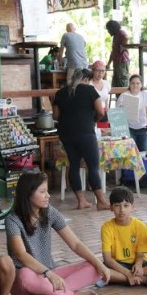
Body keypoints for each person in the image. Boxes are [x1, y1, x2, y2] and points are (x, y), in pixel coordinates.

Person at [6, 172, 109, 295]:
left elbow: (75, 244)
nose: (48, 195)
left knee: (94, 268)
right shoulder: (12, 219)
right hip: (25, 281)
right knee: (25, 275)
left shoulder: (49, 212)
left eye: (47, 191)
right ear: (28, 194)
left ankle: (48, 293)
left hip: (49, 275)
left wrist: (98, 263)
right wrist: (48, 274)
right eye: (43, 192)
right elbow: (21, 254)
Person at [53, 68, 108, 210]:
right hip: (85, 132)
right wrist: (94, 120)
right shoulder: (90, 90)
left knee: (74, 165)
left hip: (66, 134)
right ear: (86, 79)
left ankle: (81, 201)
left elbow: (56, 116)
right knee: (93, 166)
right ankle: (101, 201)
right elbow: (101, 112)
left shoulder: (60, 93)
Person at [100, 186, 147, 289]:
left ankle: (118, 278)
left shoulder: (140, 226)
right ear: (111, 207)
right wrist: (127, 273)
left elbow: (140, 253)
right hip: (117, 265)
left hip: (136, 264)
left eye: (126, 205)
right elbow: (108, 259)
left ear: (132, 207)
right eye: (117, 205)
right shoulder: (107, 227)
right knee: (97, 269)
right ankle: (146, 280)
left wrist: (139, 265)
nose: (122, 210)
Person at [117, 74, 147, 151]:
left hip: (144, 128)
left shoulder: (146, 93)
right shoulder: (123, 95)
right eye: (132, 83)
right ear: (129, 84)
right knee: (131, 151)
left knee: (144, 151)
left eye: (137, 83)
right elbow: (118, 112)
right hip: (129, 129)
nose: (135, 85)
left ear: (141, 85)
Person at [105, 19, 130, 88]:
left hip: (122, 61)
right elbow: (113, 52)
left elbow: (126, 38)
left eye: (108, 29)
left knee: (122, 82)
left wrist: (123, 47)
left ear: (112, 28)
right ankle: (118, 97)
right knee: (116, 83)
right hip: (117, 62)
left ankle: (124, 97)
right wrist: (109, 63)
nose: (108, 31)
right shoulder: (115, 36)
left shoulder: (121, 33)